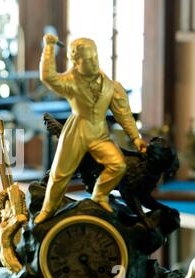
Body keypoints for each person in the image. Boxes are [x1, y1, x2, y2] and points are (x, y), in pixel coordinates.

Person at [34, 34, 147, 225]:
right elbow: (48, 77)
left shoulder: (111, 86)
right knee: (60, 174)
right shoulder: (70, 81)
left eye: (95, 57)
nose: (93, 62)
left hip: (99, 134)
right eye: (87, 59)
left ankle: (100, 195)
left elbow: (123, 114)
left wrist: (136, 138)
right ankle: (47, 210)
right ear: (76, 62)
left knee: (118, 165)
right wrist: (49, 48)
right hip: (76, 131)